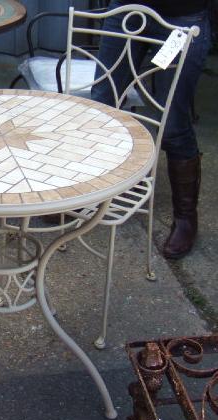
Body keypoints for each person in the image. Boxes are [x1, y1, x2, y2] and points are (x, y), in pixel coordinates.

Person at [91, 0, 212, 259]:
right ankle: (86, 193)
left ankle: (185, 217)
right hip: (127, 10)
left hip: (182, 16)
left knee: (173, 124)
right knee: (100, 105)